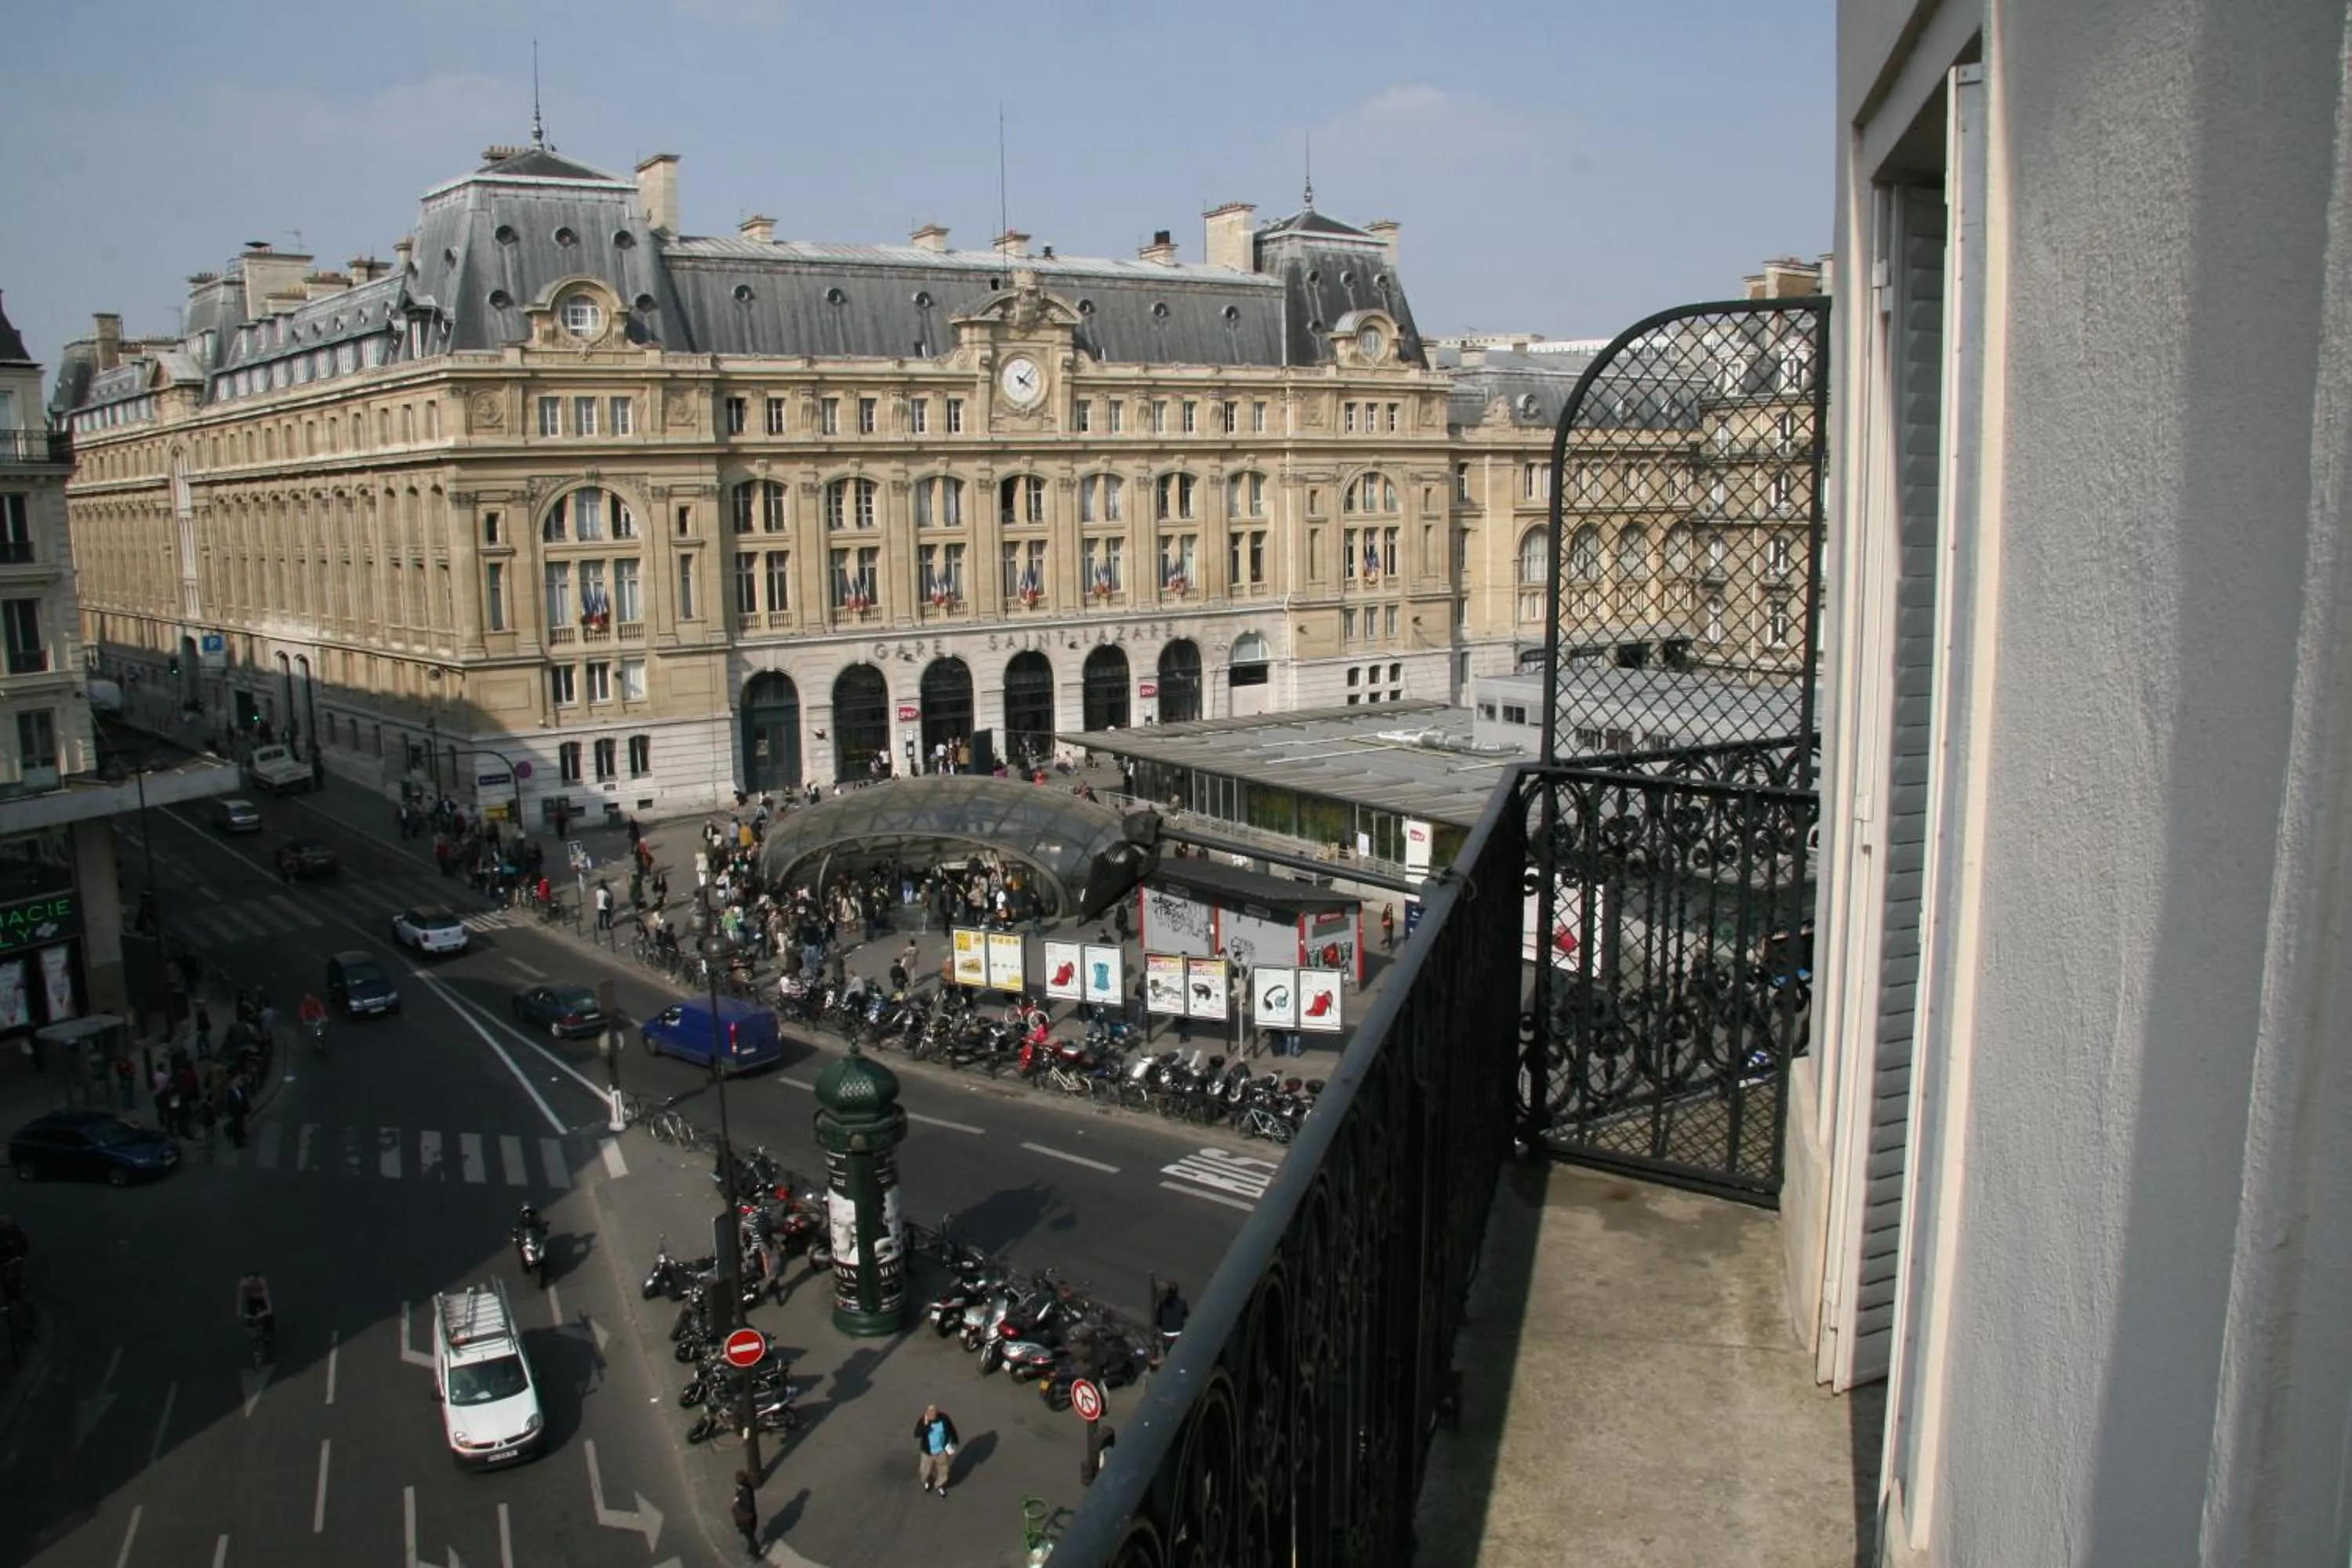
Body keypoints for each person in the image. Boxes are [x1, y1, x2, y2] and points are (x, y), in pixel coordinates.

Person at [913, 1404, 959, 1497]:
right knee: (925, 1470)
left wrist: (955, 1439)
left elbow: (951, 1429)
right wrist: (925, 1428)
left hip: (942, 1451)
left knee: (943, 1470)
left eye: (933, 1418)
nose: (931, 1420)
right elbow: (916, 1434)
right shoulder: (924, 1420)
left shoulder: (945, 1419)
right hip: (928, 1452)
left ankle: (940, 1485)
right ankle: (926, 1481)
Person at [238, 1270, 274, 1359]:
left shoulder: (262, 1281)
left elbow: (266, 1295)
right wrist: (239, 1311)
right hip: (252, 1300)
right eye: (250, 1280)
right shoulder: (243, 1283)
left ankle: (268, 1333)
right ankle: (253, 1333)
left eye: (254, 1280)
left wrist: (269, 1309)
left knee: (268, 1318)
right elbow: (241, 1296)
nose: (252, 1282)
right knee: (251, 1318)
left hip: (262, 1299)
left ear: (257, 1278)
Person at [1154, 1281, 1190, 1361]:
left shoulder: (1163, 1304)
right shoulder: (1182, 1302)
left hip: (1167, 1333)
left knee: (1168, 1355)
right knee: (1179, 1353)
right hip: (1178, 1332)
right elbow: (1186, 1314)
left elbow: (1158, 1320)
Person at [730, 1471, 760, 1558]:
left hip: (747, 1518)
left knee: (750, 1537)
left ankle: (755, 1552)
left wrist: (738, 1504)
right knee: (749, 1535)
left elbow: (748, 1506)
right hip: (745, 1517)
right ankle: (752, 1550)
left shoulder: (745, 1492)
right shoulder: (743, 1488)